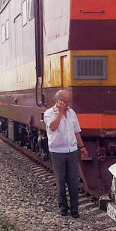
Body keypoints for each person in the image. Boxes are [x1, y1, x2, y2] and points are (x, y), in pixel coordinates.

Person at [44, 90, 88, 218]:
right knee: (61, 181)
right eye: (65, 101)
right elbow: (52, 127)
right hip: (57, 152)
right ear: (58, 101)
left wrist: (82, 146)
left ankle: (75, 209)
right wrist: (61, 112)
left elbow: (76, 131)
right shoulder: (49, 113)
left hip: (72, 151)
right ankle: (63, 208)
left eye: (69, 101)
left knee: (73, 182)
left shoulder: (72, 113)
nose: (68, 104)